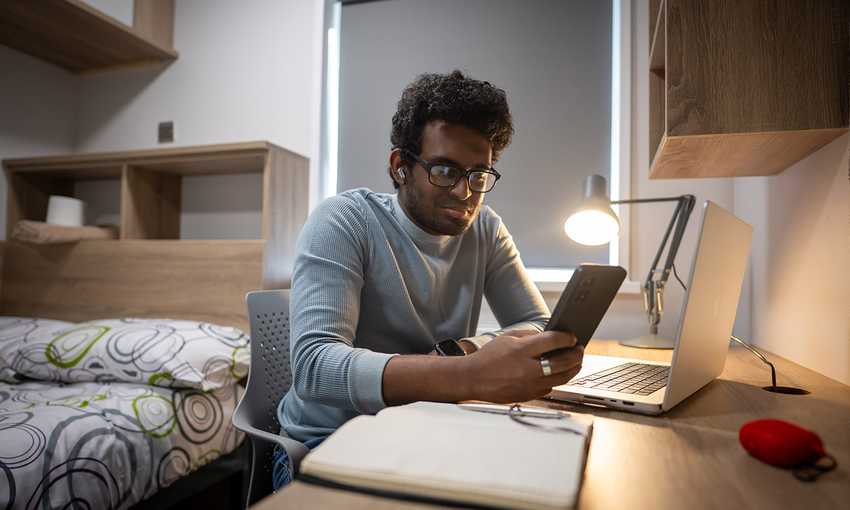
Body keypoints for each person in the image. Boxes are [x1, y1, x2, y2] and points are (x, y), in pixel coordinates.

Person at [272, 70, 584, 488]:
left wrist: (464, 350)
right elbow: (315, 367)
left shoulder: (485, 228)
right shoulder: (345, 220)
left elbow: (539, 323)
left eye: (478, 175)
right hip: (325, 444)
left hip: (432, 428)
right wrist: (470, 374)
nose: (464, 192)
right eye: (444, 171)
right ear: (401, 166)